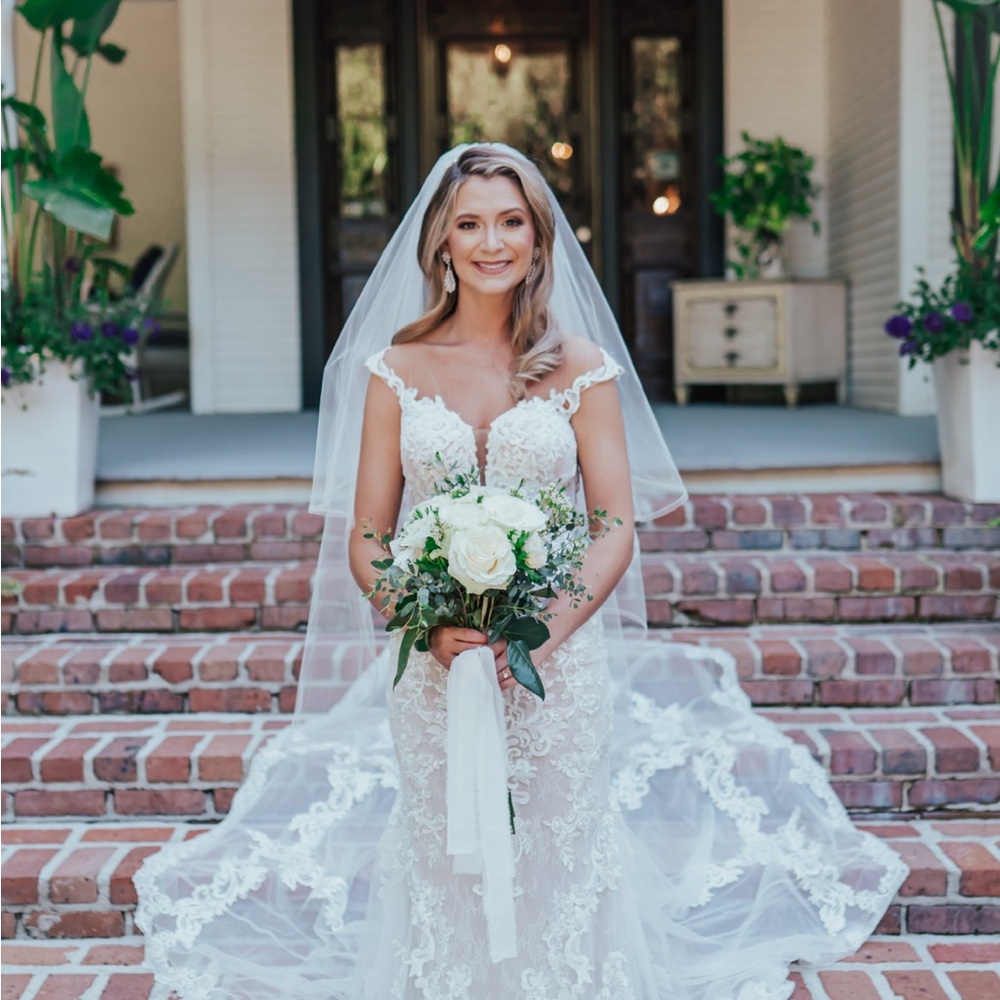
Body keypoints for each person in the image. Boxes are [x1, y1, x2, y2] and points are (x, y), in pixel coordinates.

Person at [135, 144, 907, 1000]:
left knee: (553, 843)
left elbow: (613, 525)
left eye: (511, 223)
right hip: (434, 667)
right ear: (441, 243)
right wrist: (423, 621)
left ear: (540, 242)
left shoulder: (580, 367)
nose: (491, 242)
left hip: (553, 667)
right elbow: (366, 533)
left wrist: (550, 628)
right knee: (448, 845)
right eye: (470, 223)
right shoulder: (396, 368)